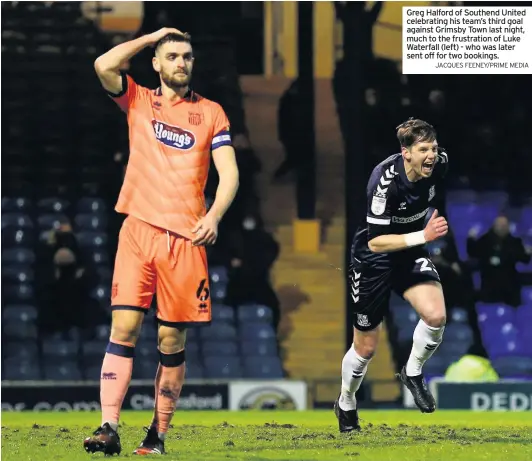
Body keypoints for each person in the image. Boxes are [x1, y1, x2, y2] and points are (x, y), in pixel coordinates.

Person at [84, 28, 239, 456]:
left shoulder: (211, 112)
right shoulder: (137, 99)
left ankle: (158, 434)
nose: (181, 63)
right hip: (138, 231)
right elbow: (103, 65)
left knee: (171, 341)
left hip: (186, 239)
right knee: (125, 327)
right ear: (156, 62)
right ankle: (108, 427)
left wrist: (214, 215)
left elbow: (230, 174)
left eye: (187, 57)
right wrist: (151, 36)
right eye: (171, 56)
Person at [335, 119, 449, 432]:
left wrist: (428, 234)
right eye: (423, 149)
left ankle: (412, 373)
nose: (431, 155)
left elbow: (437, 198)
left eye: (434, 148)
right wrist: (423, 235)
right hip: (373, 258)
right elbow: (375, 241)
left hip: (410, 252)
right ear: (405, 153)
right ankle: (346, 402)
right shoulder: (383, 181)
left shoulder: (439, 166)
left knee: (436, 315)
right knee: (366, 348)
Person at [467, 216, 531, 307]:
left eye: (504, 225)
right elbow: (473, 253)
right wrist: (470, 239)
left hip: (509, 284)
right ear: (494, 226)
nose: (502, 227)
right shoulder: (485, 240)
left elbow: (524, 259)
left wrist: (527, 253)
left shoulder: (515, 242)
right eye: (499, 225)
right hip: (489, 283)